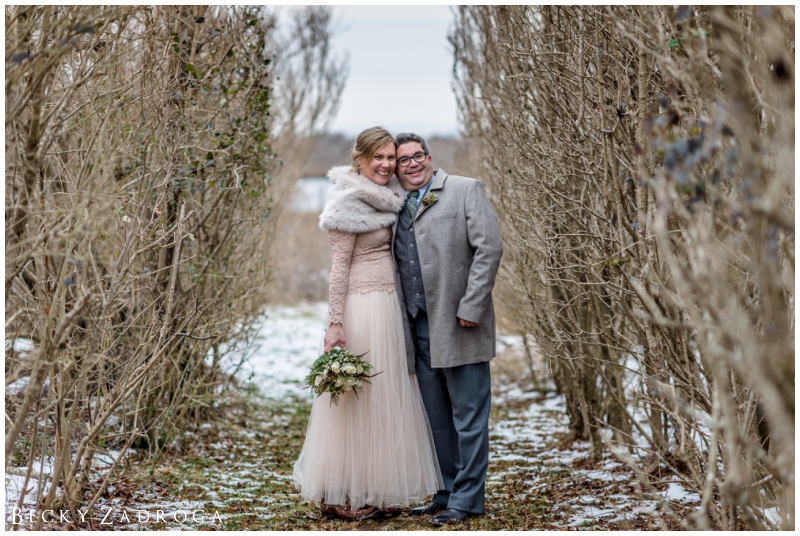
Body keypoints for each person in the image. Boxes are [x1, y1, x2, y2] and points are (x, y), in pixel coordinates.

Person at [292, 127, 443, 521]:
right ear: (360, 159)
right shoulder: (347, 201)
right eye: (378, 157)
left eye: (391, 157)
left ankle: (381, 486)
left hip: (390, 306)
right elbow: (338, 268)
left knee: (389, 395)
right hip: (362, 307)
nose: (386, 164)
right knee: (359, 399)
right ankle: (344, 487)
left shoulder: (390, 200)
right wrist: (335, 323)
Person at [391, 133, 503, 526]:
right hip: (417, 326)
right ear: (396, 167)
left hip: (461, 324)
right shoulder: (395, 206)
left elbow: (489, 248)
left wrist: (472, 305)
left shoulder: (464, 189)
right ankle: (446, 490)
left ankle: (468, 499)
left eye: (417, 156)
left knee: (468, 417)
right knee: (436, 418)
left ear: (429, 157)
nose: (412, 164)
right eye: (403, 160)